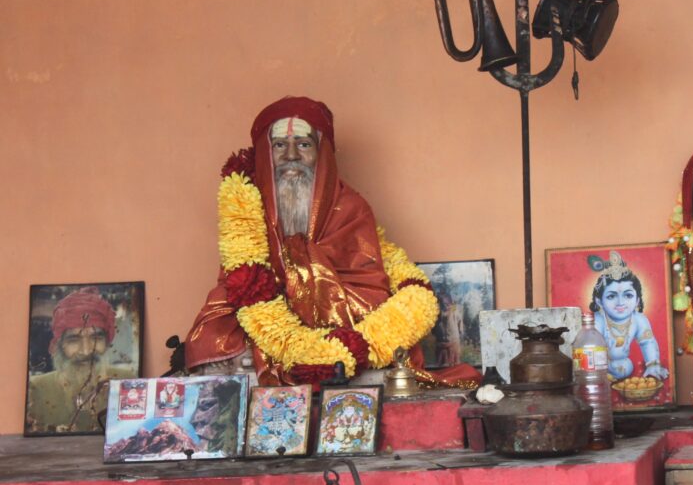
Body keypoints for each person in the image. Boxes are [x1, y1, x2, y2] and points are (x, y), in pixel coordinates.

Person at [185, 96, 479, 387]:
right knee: (214, 337)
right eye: (279, 145)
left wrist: (308, 282)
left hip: (341, 322)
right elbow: (235, 282)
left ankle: (316, 358)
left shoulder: (351, 207)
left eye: (303, 144)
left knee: (374, 334)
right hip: (268, 321)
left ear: (322, 152)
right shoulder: (247, 206)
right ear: (265, 153)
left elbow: (370, 284)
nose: (291, 155)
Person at [26, 287, 127, 434]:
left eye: (96, 337)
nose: (86, 351)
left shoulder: (126, 381)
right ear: (59, 345)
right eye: (74, 339)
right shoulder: (37, 388)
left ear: (107, 342)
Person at [589, 252, 669, 382]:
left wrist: (653, 365)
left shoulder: (639, 320)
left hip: (624, 366)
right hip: (598, 369)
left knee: (626, 367)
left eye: (628, 295)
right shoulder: (598, 320)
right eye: (611, 296)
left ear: (637, 300)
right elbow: (590, 349)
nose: (620, 303)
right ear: (599, 301)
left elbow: (647, 342)